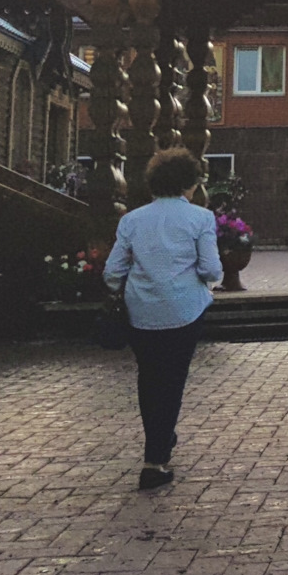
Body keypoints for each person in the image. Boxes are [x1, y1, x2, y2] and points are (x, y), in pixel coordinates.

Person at [104, 147, 221, 491]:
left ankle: (157, 443)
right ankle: (156, 457)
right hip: (185, 309)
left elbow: (113, 272)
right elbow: (212, 268)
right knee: (173, 381)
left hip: (141, 311)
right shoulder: (200, 219)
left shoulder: (132, 220)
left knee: (149, 378)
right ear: (190, 183)